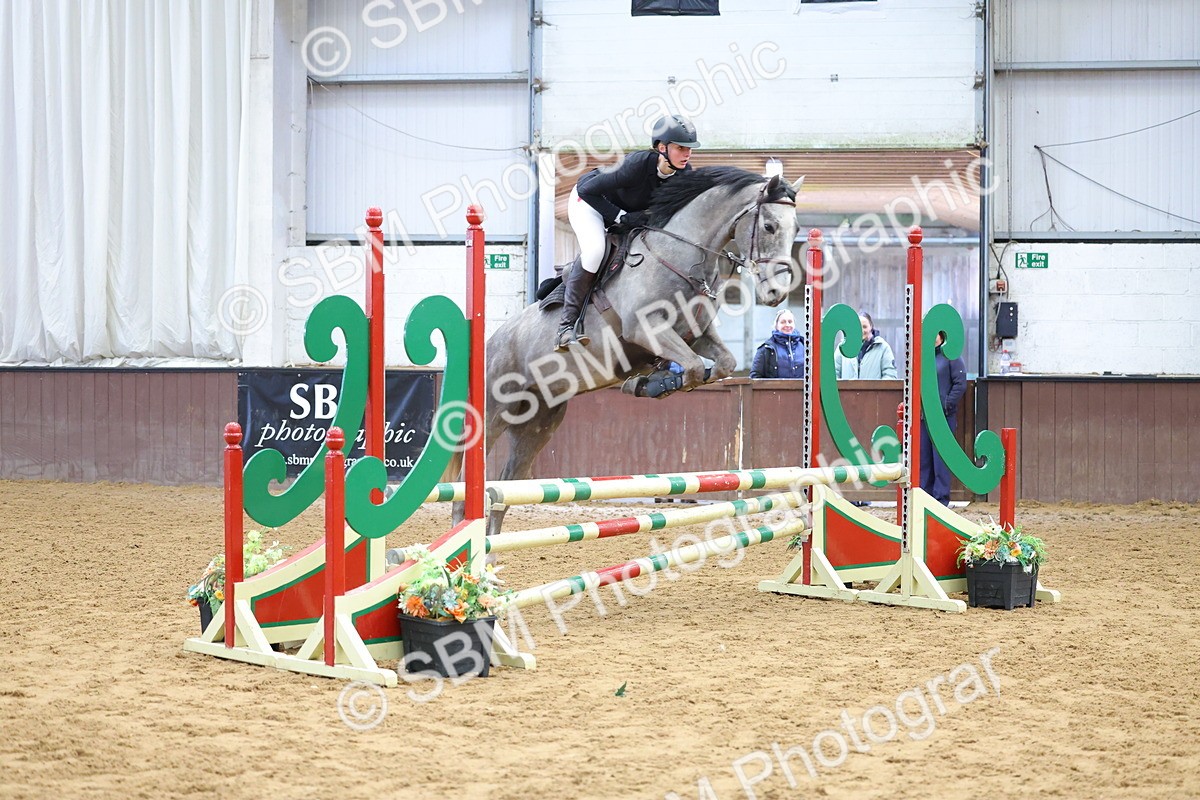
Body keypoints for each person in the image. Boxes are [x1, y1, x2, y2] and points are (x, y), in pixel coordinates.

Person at [556, 114, 700, 351]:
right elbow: (586, 189)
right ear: (662, 148)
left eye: (689, 149)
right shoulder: (636, 165)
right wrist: (621, 217)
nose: (687, 154)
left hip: (625, 216)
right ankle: (565, 327)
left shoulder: (684, 175)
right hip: (588, 203)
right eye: (680, 148)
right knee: (594, 252)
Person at [920, 330, 967, 505]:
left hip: (943, 417)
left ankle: (940, 500)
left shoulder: (951, 355)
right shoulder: (922, 356)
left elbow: (960, 383)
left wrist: (946, 404)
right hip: (924, 416)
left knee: (941, 461)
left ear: (940, 335)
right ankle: (924, 499)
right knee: (924, 460)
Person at [834, 312, 897, 379]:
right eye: (858, 326)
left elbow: (890, 375)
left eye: (864, 327)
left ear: (871, 327)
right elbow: (833, 373)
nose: (861, 330)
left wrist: (876, 389)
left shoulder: (883, 348)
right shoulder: (842, 347)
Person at [750, 309, 805, 378]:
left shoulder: (805, 345)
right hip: (776, 388)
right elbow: (755, 376)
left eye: (790, 322)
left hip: (803, 388)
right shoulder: (766, 349)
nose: (787, 325)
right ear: (776, 326)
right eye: (783, 322)